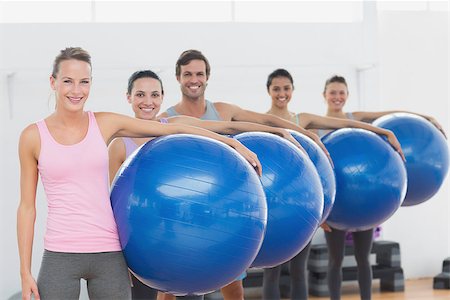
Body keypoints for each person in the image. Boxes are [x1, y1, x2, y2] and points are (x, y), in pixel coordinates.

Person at [16, 47, 264, 300]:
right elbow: (27, 208)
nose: (76, 90)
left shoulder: (104, 123)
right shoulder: (33, 136)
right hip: (60, 253)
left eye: (84, 82)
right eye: (68, 81)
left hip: (108, 252)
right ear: (53, 82)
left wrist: (232, 144)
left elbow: (171, 130)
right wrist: (25, 272)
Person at [157, 49, 336, 300]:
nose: (193, 79)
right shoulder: (167, 119)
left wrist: (304, 134)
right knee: (171, 289)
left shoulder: (222, 111)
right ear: (178, 77)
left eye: (199, 73)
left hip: (228, 213)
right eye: (187, 74)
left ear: (208, 77)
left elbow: (267, 121)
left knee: (233, 290)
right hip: (184, 214)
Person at [109, 69, 303, 300]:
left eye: (154, 95)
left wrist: (273, 132)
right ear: (128, 97)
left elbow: (225, 127)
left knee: (192, 293)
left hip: (191, 238)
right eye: (140, 95)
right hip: (141, 247)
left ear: (162, 97)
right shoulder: (119, 144)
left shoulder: (175, 127)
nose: (148, 102)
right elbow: (112, 206)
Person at [262, 69, 406, 300]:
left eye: (286, 88)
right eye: (276, 88)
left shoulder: (304, 120)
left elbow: (343, 123)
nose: (282, 93)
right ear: (268, 91)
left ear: (292, 91)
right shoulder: (262, 121)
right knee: (272, 273)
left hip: (303, 204)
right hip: (274, 206)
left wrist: (384, 131)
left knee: (299, 271)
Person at [320, 74, 446, 300]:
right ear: (324, 95)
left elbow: (391, 114)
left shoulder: (354, 118)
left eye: (341, 93)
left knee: (363, 258)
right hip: (336, 207)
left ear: (347, 95)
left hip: (366, 202)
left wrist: (427, 118)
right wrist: (322, 214)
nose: (337, 97)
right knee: (335, 260)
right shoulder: (317, 124)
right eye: (333, 92)